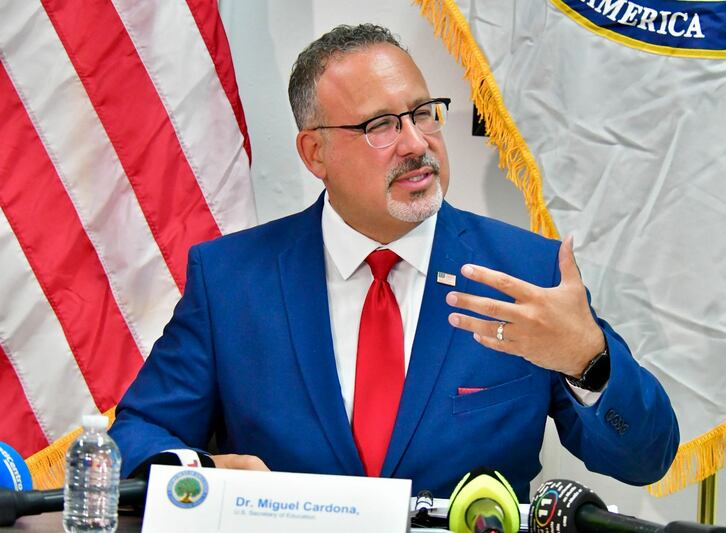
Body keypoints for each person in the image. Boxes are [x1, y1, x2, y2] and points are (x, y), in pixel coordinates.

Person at [110, 23, 679, 500]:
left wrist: (588, 361)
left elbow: (645, 458)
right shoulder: (231, 281)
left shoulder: (525, 272)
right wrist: (200, 472)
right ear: (315, 153)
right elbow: (135, 436)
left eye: (423, 113)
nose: (416, 143)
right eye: (380, 125)